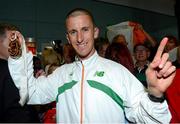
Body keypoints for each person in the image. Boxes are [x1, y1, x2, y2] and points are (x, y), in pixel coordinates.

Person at [8, 8, 176, 123]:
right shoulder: (61, 74)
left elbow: (149, 119)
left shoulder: (117, 72)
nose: (80, 38)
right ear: (68, 38)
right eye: (73, 32)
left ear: (95, 32)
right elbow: (30, 93)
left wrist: (154, 95)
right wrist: (17, 58)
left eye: (85, 29)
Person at [0, 23, 39, 122]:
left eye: (19, 40)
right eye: (12, 40)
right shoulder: (8, 70)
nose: (18, 44)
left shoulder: (15, 67)